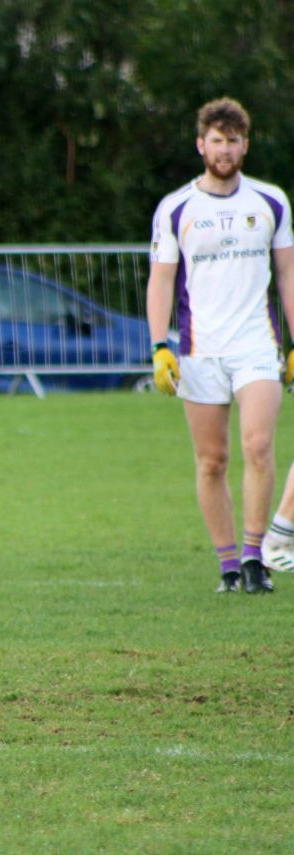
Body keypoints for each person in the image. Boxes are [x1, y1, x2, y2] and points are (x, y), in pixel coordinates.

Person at [146, 97, 294, 595]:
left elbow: (288, 274)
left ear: (245, 145)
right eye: (216, 139)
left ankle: (256, 559)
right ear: (200, 144)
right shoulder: (176, 208)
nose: (224, 149)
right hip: (199, 349)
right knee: (212, 460)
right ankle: (228, 565)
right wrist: (158, 346)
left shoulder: (270, 201)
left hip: (257, 344)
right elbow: (162, 280)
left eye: (233, 140)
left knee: (257, 445)